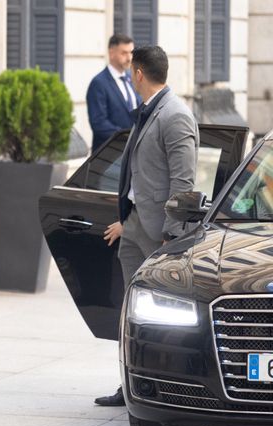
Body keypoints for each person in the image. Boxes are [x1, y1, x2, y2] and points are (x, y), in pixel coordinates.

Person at [96, 45, 199, 407]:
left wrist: (170, 234)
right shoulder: (148, 112)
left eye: (131, 71)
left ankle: (165, 391)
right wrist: (129, 219)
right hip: (136, 225)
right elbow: (144, 177)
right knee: (130, 312)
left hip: (160, 235)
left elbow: (183, 184)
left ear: (138, 73)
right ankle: (130, 385)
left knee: (160, 315)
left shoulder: (175, 115)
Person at [87, 34, 142, 153]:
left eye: (131, 53)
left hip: (132, 154)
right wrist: (127, 137)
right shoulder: (98, 83)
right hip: (108, 156)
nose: (129, 58)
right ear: (111, 53)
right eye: (124, 53)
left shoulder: (133, 80)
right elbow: (99, 124)